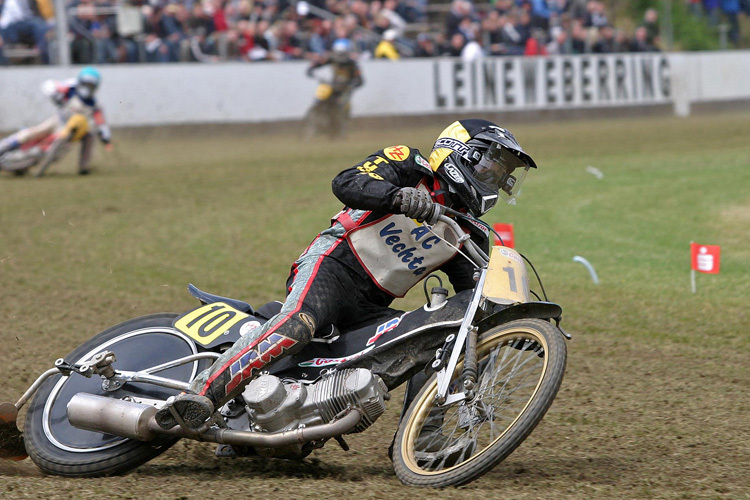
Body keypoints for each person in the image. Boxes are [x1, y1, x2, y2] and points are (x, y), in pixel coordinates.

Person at [155, 118, 539, 430]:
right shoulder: (410, 163)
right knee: (300, 323)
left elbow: (470, 302)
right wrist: (396, 196)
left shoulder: (467, 231)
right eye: (493, 164)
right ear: (462, 155)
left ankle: (425, 440)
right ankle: (202, 396)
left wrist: (513, 325)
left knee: (437, 339)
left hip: (371, 305)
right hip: (333, 265)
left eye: (503, 173)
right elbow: (346, 182)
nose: (496, 179)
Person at [0, 67, 111, 175]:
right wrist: (56, 95)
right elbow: (48, 85)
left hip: (68, 136)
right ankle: (3, 147)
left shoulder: (95, 106)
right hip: (57, 121)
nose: (88, 88)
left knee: (42, 151)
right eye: (86, 84)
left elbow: (102, 125)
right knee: (29, 134)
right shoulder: (71, 87)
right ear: (81, 82)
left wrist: (104, 136)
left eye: (91, 86)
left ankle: (84, 166)